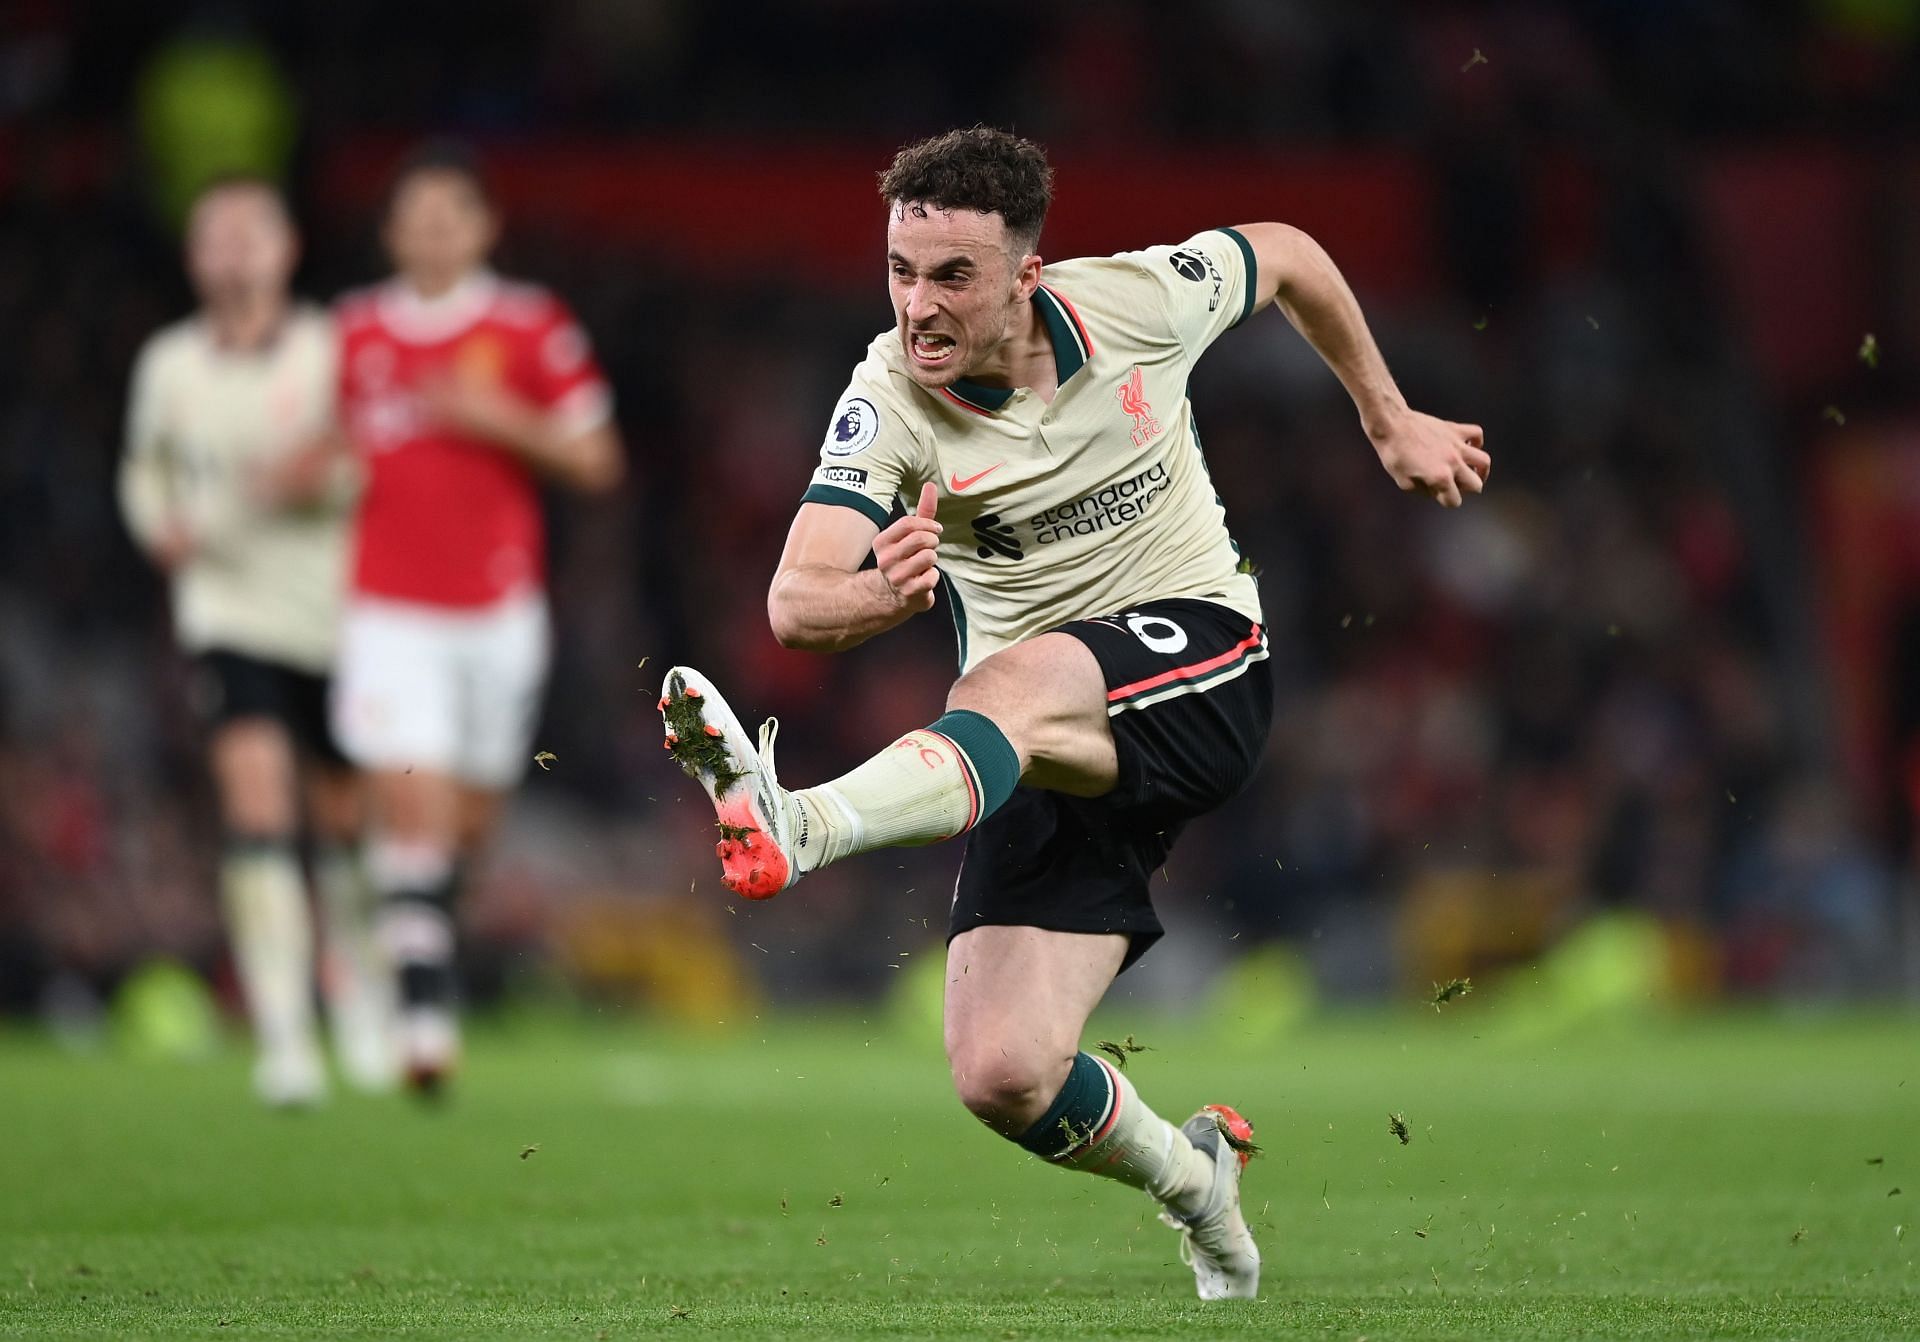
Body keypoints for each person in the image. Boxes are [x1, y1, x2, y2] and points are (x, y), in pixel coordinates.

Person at [660, 128, 1489, 1299]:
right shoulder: (888, 397)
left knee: (999, 683)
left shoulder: (1139, 302)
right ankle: (1196, 1179)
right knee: (1001, 1071)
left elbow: (1292, 253)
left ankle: (806, 827)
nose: (918, 306)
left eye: (952, 276)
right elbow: (795, 603)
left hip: (1205, 661)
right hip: (1039, 749)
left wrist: (1388, 417)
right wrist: (880, 592)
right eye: (901, 270)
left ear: (1026, 276)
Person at [329, 144, 623, 1094]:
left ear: (484, 225)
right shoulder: (349, 333)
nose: (433, 230)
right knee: (411, 800)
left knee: (465, 826)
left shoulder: (531, 325)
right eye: (415, 214)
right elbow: (311, 448)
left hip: (497, 612)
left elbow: (596, 459)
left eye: (451, 212)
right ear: (390, 231)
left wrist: (491, 417)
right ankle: (420, 1018)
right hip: (384, 610)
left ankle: (394, 941)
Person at [120, 176, 389, 1107]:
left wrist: (310, 478)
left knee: (345, 820)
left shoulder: (330, 349)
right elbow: (144, 470)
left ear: (286, 250)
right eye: (215, 238)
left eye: (250, 235)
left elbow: (367, 456)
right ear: (194, 257)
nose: (232, 253)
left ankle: (358, 999)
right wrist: (158, 525)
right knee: (258, 802)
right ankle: (284, 1036)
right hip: (226, 614)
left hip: (333, 612)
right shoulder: (168, 366)